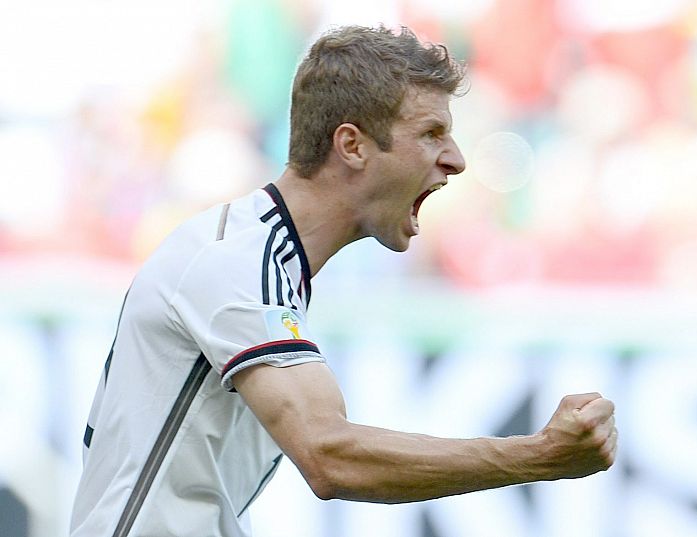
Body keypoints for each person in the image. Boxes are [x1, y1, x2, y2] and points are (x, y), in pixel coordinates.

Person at [70, 25, 617, 537]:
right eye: (431, 133)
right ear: (352, 146)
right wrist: (539, 456)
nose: (456, 160)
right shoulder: (235, 262)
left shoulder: (261, 256)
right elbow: (331, 456)